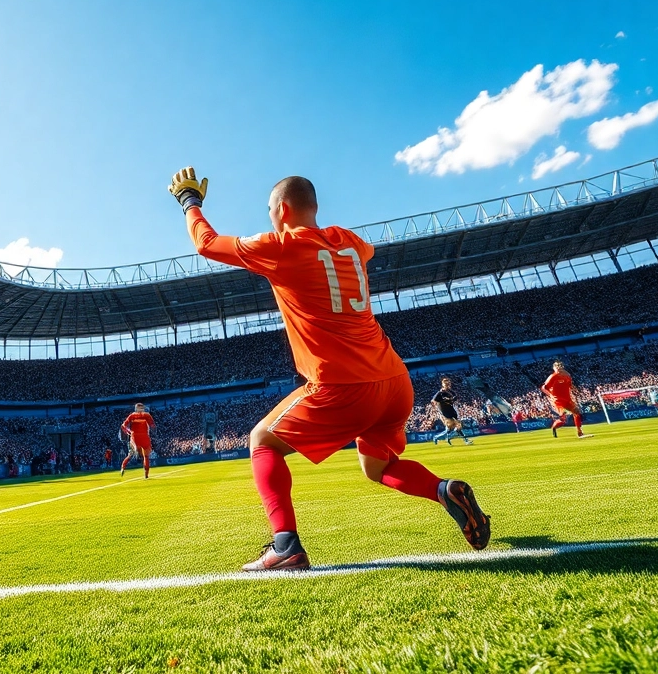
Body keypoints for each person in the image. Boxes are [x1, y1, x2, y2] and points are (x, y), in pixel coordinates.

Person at [168, 168, 489, 571]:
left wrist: (189, 201)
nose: (269, 217)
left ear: (282, 209)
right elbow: (365, 250)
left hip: (342, 384)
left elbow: (207, 244)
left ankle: (285, 546)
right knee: (380, 467)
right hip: (393, 380)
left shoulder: (282, 246)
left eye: (269, 210)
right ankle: (443, 490)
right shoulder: (350, 242)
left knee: (262, 441)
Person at [543, 361, 592, 439]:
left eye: (560, 366)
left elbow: (570, 385)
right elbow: (544, 387)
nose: (559, 368)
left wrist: (575, 390)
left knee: (577, 412)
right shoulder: (553, 376)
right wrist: (551, 395)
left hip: (567, 399)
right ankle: (554, 427)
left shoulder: (567, 376)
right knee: (563, 419)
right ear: (554, 368)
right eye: (557, 366)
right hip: (558, 400)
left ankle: (580, 432)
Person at [430, 377, 473, 446]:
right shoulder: (440, 393)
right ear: (443, 384)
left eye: (448, 383)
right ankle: (465, 440)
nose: (447, 385)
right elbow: (433, 401)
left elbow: (455, 398)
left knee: (449, 430)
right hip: (445, 412)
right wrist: (441, 405)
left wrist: (452, 399)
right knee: (458, 426)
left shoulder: (451, 392)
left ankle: (437, 437)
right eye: (446, 384)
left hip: (451, 410)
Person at [119, 403, 155, 479]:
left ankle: (123, 467)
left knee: (130, 455)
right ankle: (146, 475)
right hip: (144, 436)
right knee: (146, 456)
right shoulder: (147, 415)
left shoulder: (132, 415)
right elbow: (153, 425)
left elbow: (123, 426)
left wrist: (129, 431)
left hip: (134, 436)